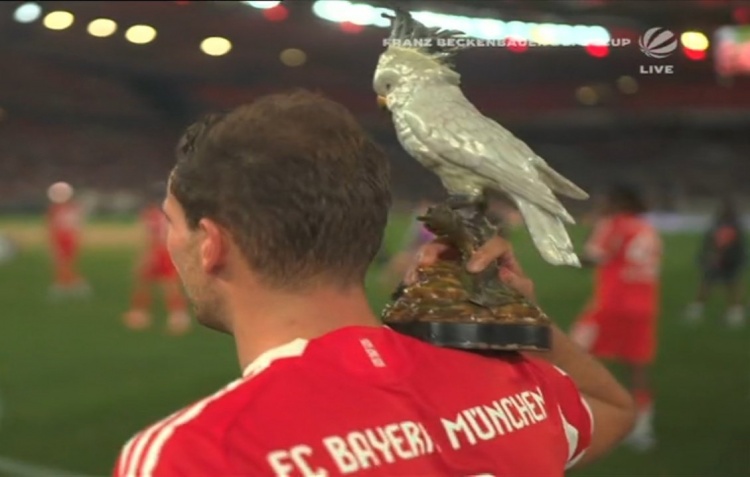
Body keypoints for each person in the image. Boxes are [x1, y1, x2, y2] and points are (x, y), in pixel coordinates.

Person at [113, 91, 635, 477]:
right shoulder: (513, 393)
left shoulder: (197, 455)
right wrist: (521, 319)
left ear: (211, 243)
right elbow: (611, 407)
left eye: (171, 221)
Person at [569, 184, 662, 452]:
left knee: (571, 357)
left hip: (611, 306)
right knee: (637, 367)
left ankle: (577, 420)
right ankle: (643, 428)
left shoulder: (613, 224)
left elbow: (592, 257)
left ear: (618, 202)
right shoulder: (646, 228)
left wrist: (565, 254)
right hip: (644, 306)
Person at [123, 191, 191, 335]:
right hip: (167, 251)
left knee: (146, 282)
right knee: (167, 283)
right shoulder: (167, 215)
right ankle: (177, 315)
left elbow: (151, 237)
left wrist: (145, 256)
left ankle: (141, 314)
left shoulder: (151, 216)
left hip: (157, 251)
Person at [683, 196, 746, 328]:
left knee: (731, 285)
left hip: (729, 261)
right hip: (715, 260)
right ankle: (697, 309)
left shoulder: (735, 226)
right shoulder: (718, 224)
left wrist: (731, 258)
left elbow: (738, 246)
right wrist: (707, 256)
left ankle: (735, 311)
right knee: (707, 283)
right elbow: (709, 242)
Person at [46, 182, 90, 298]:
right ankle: (68, 284)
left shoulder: (64, 209)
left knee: (64, 263)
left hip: (67, 237)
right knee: (63, 263)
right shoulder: (64, 208)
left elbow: (54, 226)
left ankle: (68, 285)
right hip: (65, 237)